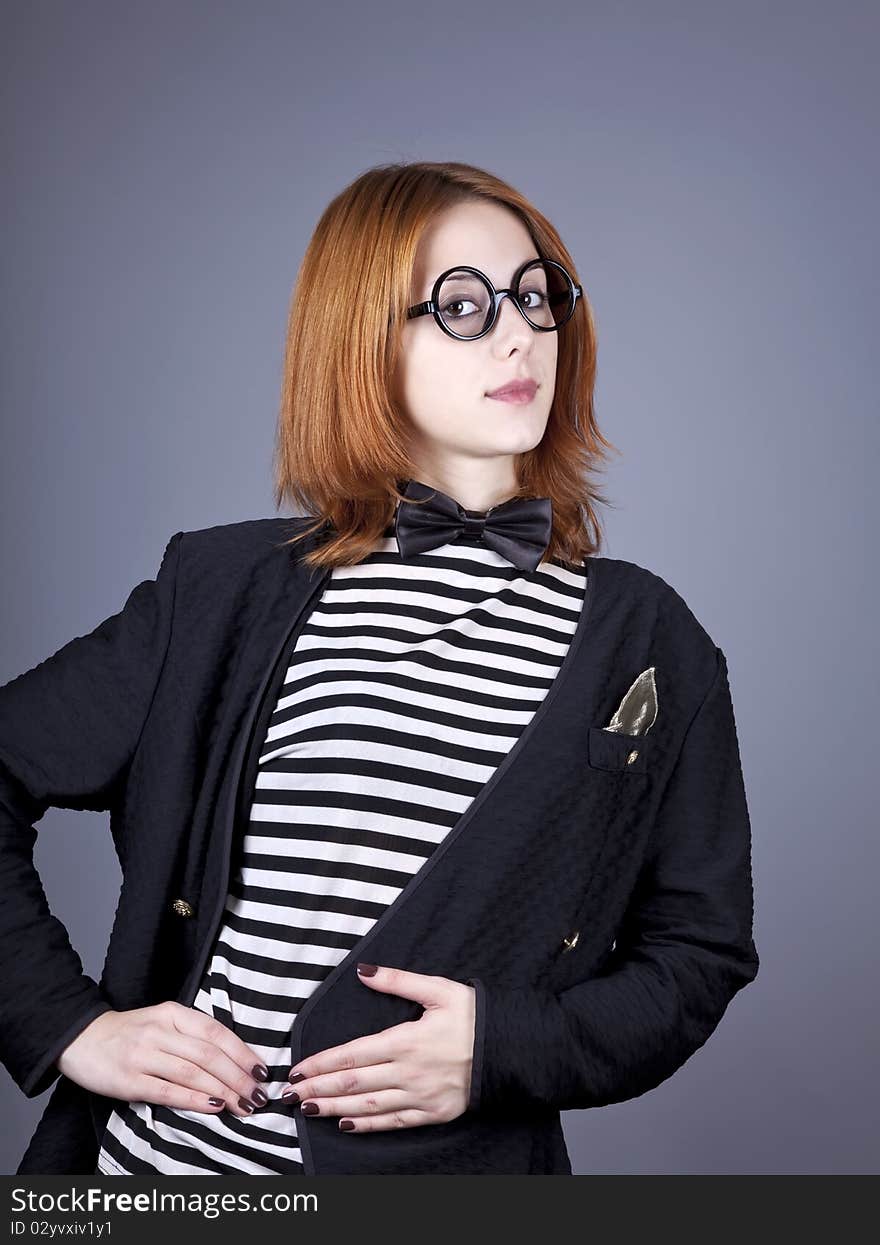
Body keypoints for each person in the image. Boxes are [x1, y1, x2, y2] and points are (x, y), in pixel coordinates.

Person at [0, 161, 759, 1176]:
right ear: (362, 338)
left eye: (535, 296)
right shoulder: (220, 587)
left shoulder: (648, 640)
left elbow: (697, 955)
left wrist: (505, 1049)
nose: (517, 331)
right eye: (460, 305)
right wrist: (72, 1026)